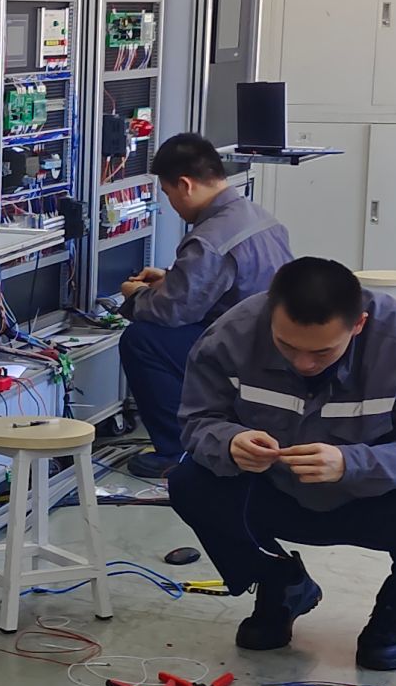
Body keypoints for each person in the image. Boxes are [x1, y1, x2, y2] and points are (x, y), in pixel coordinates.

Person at [166, 256, 396, 674]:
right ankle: (280, 584)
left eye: (322, 351)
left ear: (358, 325)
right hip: (275, 489)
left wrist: (352, 463)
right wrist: (229, 442)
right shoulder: (229, 337)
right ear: (270, 314)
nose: (303, 363)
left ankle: (395, 613)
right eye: (287, 347)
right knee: (190, 483)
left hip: (372, 497)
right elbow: (197, 420)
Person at [112, 133, 292, 478]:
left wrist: (135, 295)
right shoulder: (257, 216)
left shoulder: (209, 239)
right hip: (272, 340)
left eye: (168, 194)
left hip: (244, 350)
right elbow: (227, 283)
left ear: (185, 185)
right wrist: (170, 278)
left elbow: (173, 312)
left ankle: (177, 451)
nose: (171, 204)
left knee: (142, 339)